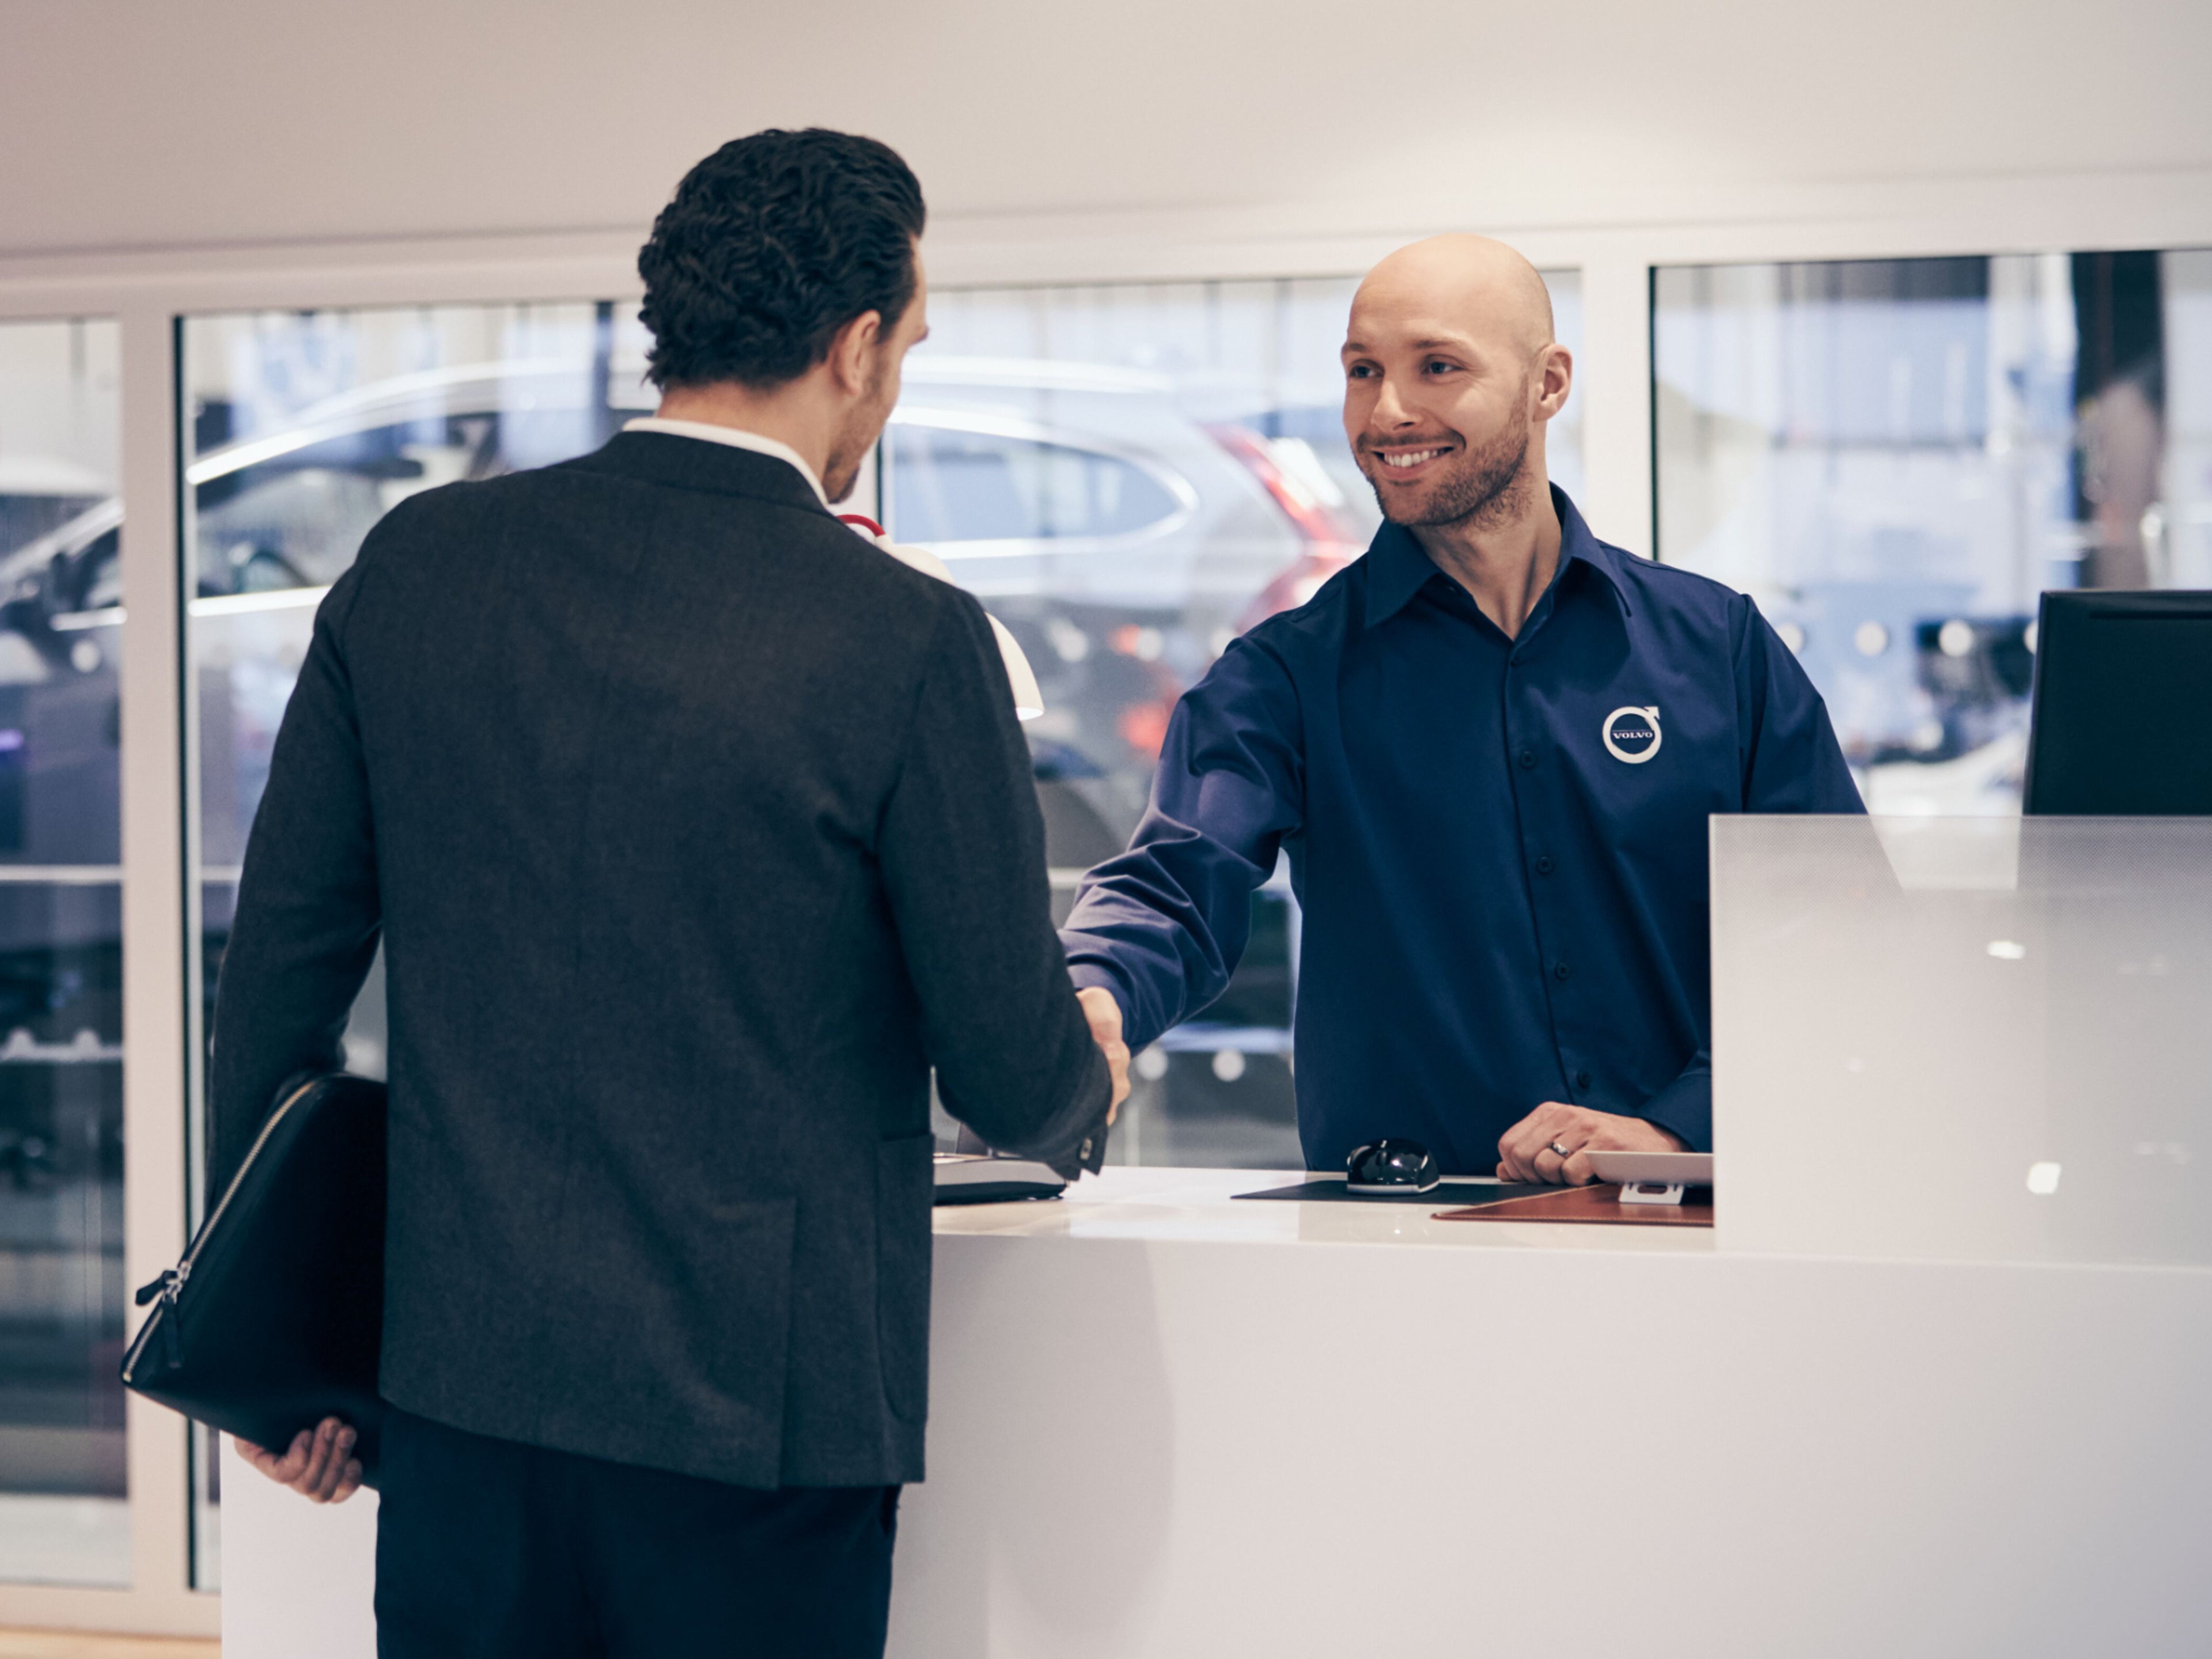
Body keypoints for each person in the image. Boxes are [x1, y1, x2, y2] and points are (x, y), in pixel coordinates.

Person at [209, 128, 1126, 1658]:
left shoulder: (419, 566)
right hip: (759, 1436)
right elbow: (1011, 1071)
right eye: (904, 347)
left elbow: (279, 982)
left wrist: (286, 1353)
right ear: (854, 350)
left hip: (458, 1411)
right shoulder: (905, 640)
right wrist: (1086, 1071)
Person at [1061, 234, 1862, 1187]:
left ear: (1548, 383)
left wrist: (1687, 1127)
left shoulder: (1716, 649)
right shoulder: (1288, 676)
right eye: (1364, 371)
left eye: (1437, 367)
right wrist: (1093, 994)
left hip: (1693, 1221)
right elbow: (1178, 881)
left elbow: (1836, 927)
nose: (1389, 411)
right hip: (1411, 1243)